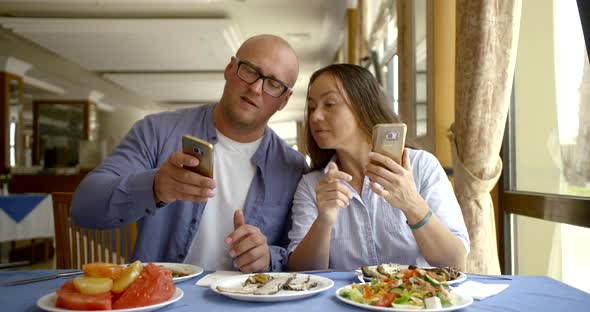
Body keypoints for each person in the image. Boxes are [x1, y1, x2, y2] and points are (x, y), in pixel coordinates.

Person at [71, 34, 307, 273]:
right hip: (160, 300)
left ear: (284, 101)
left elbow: (298, 256)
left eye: (274, 84)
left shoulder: (294, 167)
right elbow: (83, 208)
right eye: (249, 70)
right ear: (230, 68)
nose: (256, 88)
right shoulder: (157, 131)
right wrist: (154, 188)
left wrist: (269, 258)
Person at [287, 64, 469, 271]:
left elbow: (455, 263)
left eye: (329, 104)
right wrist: (324, 220)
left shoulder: (421, 167)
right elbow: (301, 273)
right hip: (346, 301)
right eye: (311, 107)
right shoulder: (312, 186)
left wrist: (412, 204)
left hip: (416, 299)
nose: (315, 116)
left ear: (363, 106)